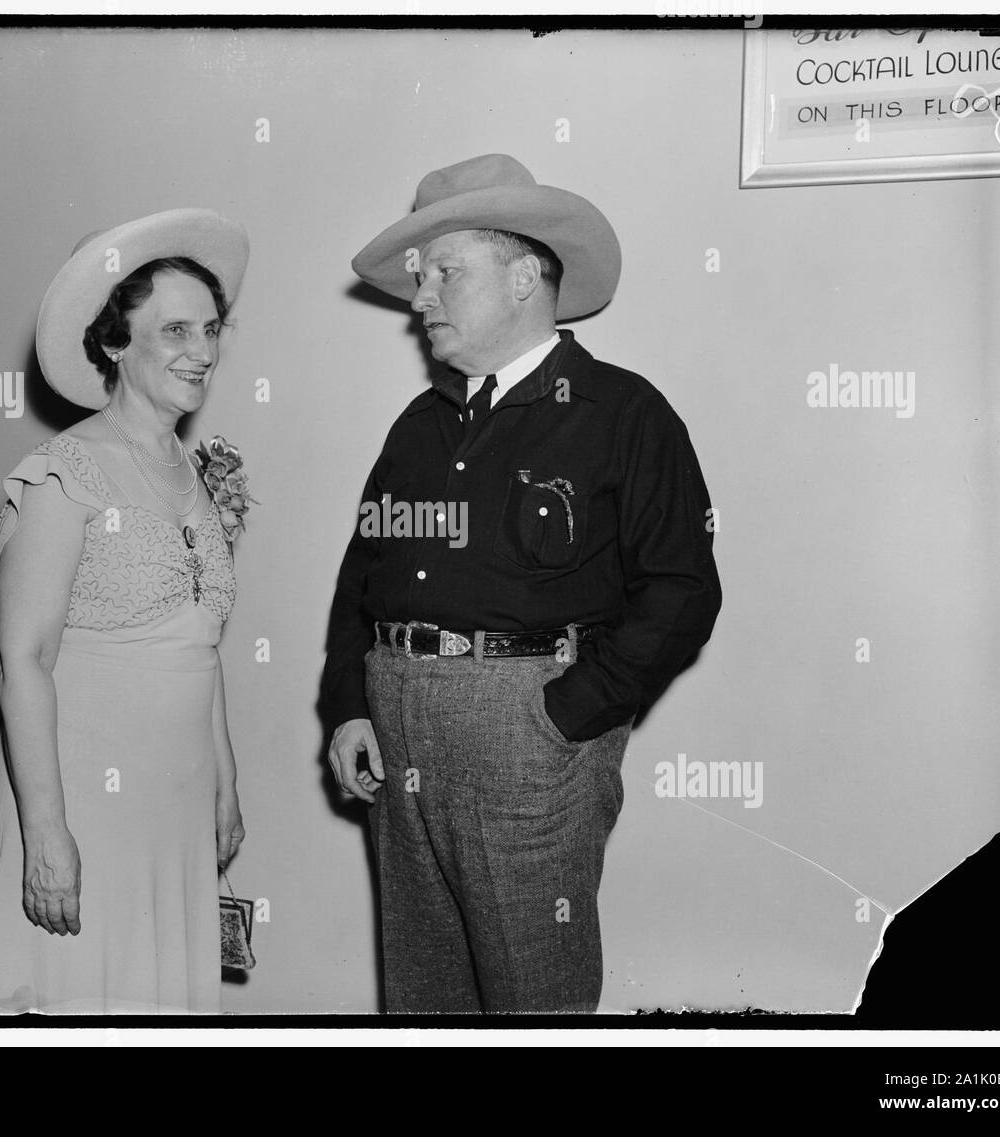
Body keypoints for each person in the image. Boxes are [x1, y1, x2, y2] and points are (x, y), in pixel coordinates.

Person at [323, 154, 722, 1013]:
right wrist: (348, 703)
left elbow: (683, 591)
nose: (420, 296)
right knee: (424, 994)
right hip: (399, 730)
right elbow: (363, 577)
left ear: (524, 274)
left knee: (534, 997)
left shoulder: (623, 414)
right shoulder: (417, 428)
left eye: (444, 273)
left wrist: (566, 714)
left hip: (529, 734)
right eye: (419, 277)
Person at [0, 208, 253, 1013]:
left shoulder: (195, 474)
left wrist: (224, 781)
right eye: (174, 331)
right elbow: (20, 660)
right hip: (84, 796)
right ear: (114, 343)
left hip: (176, 793)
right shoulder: (67, 471)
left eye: (210, 329)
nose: (201, 352)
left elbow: (202, 642)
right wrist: (46, 835)